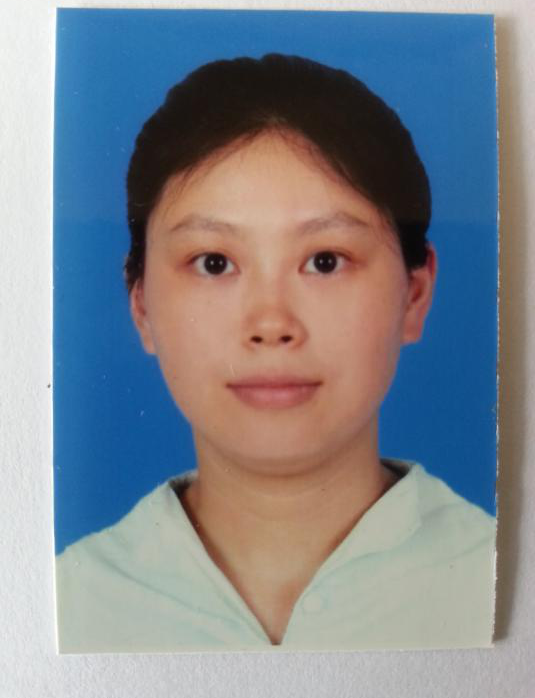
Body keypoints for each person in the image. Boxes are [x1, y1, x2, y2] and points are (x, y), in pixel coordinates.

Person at [56, 54, 495, 652]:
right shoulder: (67, 602)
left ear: (414, 295)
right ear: (141, 306)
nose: (271, 324)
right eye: (214, 263)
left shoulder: (498, 578)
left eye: (325, 261)